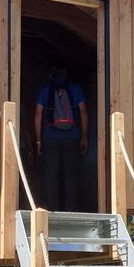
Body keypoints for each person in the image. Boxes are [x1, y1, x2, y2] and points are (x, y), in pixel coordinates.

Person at [34, 65, 88, 212]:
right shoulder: (75, 89)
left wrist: (38, 140)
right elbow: (83, 112)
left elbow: (38, 115)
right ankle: (70, 209)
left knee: (52, 173)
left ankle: (52, 209)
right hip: (72, 137)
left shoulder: (44, 90)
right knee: (70, 175)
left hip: (50, 137)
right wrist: (84, 137)